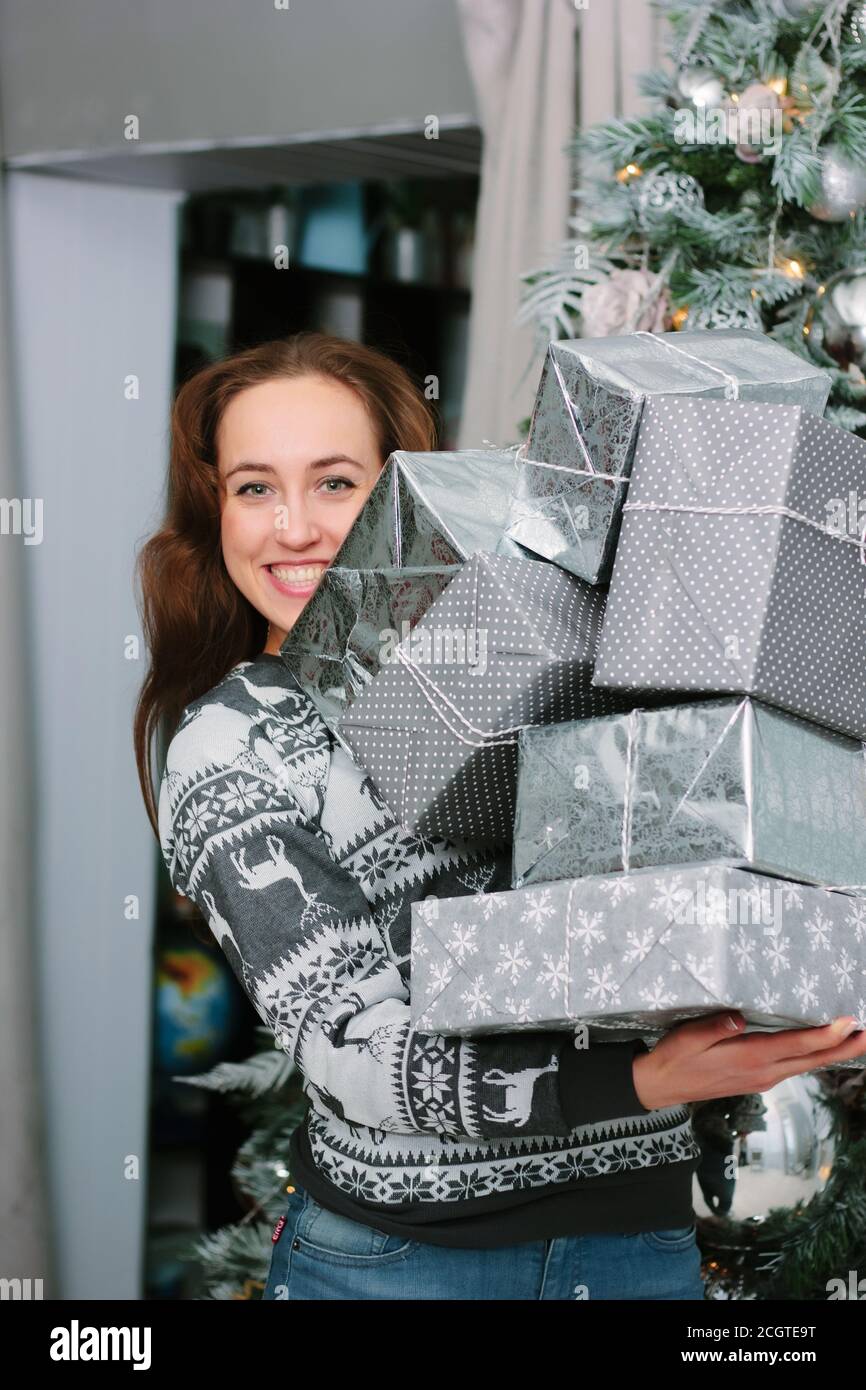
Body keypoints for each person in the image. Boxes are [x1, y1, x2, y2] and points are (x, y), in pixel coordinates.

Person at [133, 330, 866, 1301]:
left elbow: (700, 878)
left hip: (636, 1245)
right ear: (215, 510)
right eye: (254, 487)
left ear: (409, 499)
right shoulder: (231, 746)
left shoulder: (568, 658)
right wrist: (639, 1084)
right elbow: (357, 1052)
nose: (295, 527)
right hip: (398, 1266)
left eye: (337, 482)